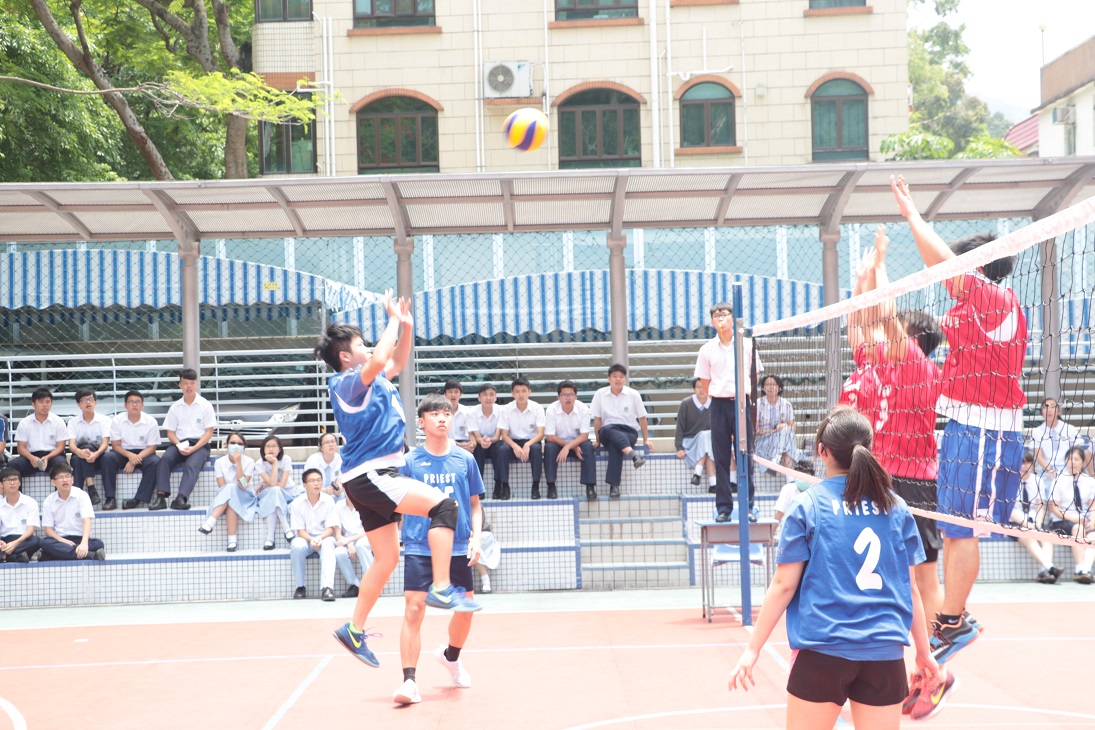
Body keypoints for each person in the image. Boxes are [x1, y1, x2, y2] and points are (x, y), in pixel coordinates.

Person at [728, 406, 940, 729]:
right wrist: (924, 652)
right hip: (883, 653)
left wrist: (752, 650)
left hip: (824, 648)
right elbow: (910, 589)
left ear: (822, 452)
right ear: (869, 448)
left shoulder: (807, 505)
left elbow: (784, 586)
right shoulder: (896, 508)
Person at [892, 175, 1027, 668]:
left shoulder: (993, 296)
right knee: (954, 529)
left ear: (977, 266)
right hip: (964, 425)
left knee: (964, 529)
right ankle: (951, 618)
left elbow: (945, 267)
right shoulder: (970, 305)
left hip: (989, 429)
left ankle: (952, 621)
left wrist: (912, 215)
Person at [316, 292, 480, 671]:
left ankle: (353, 630)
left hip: (371, 478)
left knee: (387, 558)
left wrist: (405, 325)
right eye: (359, 343)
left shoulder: (372, 380)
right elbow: (377, 359)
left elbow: (398, 359)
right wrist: (390, 319)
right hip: (372, 474)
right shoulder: (345, 383)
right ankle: (441, 586)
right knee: (445, 504)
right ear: (345, 356)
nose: (368, 347)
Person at [839, 227, 948, 720]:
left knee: (922, 582)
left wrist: (882, 266)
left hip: (915, 483)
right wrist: (860, 282)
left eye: (897, 329)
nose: (887, 332)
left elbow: (883, 316)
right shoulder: (878, 361)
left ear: (911, 338)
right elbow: (860, 326)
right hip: (887, 482)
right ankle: (919, 669)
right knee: (899, 581)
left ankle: (938, 670)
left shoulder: (917, 366)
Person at [394, 393, 484, 705]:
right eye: (434, 414)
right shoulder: (408, 462)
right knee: (414, 609)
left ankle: (451, 656)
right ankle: (409, 682)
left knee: (465, 609)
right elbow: (396, 503)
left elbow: (475, 505)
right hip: (420, 545)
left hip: (458, 546)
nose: (442, 418)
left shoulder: (465, 459)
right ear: (421, 422)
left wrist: (477, 537)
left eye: (446, 413)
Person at [695, 303, 761, 523]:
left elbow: (755, 376)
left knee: (746, 456)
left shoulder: (747, 345)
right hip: (719, 405)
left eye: (724, 314)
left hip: (743, 403)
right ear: (712, 321)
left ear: (733, 319)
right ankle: (724, 507)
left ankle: (748, 506)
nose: (720, 317)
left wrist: (744, 397)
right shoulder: (706, 349)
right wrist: (719, 395)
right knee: (721, 456)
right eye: (716, 315)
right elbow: (704, 382)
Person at [151, 369, 216, 511]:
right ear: (180, 385)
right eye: (185, 383)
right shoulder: (175, 407)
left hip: (200, 445)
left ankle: (181, 498)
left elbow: (209, 432)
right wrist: (179, 445)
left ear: (197, 384)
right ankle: (161, 497)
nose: (189, 386)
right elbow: (170, 432)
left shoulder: (205, 405)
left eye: (192, 383)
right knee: (165, 459)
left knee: (192, 465)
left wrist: (194, 448)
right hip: (180, 443)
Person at [591, 364, 652, 499]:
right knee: (609, 429)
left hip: (628, 432)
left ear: (625, 379)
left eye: (621, 377)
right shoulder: (600, 394)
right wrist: (598, 440)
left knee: (616, 445)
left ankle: (614, 486)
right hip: (607, 431)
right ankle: (632, 455)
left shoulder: (633, 394)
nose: (618, 379)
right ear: (609, 379)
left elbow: (642, 418)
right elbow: (597, 419)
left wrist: (646, 439)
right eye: (614, 377)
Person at [198, 432, 257, 552]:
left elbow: (244, 485)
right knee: (230, 497)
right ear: (227, 445)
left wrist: (238, 463)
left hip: (245, 496)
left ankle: (210, 522)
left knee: (231, 488)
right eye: (233, 443)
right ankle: (232, 541)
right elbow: (222, 487)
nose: (236, 446)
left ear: (244, 447)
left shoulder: (249, 461)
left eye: (240, 444)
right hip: (226, 496)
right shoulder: (219, 462)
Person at [1012, 449, 1062, 584]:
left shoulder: (1038, 481)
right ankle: (1050, 567)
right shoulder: (1009, 481)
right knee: (1029, 538)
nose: (1024, 467)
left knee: (1047, 537)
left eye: (1027, 463)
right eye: (1021, 463)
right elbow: (1009, 509)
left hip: (1034, 520)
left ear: (1032, 464)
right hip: (1015, 522)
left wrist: (1038, 523)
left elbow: (1040, 505)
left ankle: (1045, 571)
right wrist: (1025, 523)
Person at [1046, 446, 1095, 583]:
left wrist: (1093, 520)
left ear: (1083, 462)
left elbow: (1092, 506)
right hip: (1061, 521)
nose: (1072, 462)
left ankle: (1086, 570)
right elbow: (1054, 508)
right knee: (1078, 528)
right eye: (1069, 459)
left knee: (1093, 535)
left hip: (1084, 520)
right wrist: (1074, 518)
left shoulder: (1090, 481)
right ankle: (1079, 569)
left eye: (1076, 459)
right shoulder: (1058, 480)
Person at [109, 390, 164, 512]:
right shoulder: (117, 420)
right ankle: (110, 498)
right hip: (123, 452)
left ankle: (139, 499)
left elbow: (152, 447)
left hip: (144, 452)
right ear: (125, 405)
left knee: (155, 462)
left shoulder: (151, 421)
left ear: (142, 405)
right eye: (131, 402)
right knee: (107, 458)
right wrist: (130, 456)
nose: (134, 405)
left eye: (138, 402)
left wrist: (134, 460)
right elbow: (115, 445)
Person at [289, 468, 338, 601]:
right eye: (312, 481)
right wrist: (312, 539)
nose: (316, 483)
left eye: (319, 480)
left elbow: (331, 528)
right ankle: (300, 587)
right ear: (305, 485)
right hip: (305, 538)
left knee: (328, 545)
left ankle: (327, 588)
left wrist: (320, 538)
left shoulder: (329, 500)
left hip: (324, 536)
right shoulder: (297, 503)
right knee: (297, 546)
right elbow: (299, 530)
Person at [39, 463, 105, 561]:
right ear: (53, 482)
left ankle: (54, 555)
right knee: (45, 542)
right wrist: (62, 540)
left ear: (72, 479)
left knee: (98, 543)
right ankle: (91, 556)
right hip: (60, 540)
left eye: (67, 476)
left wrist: (84, 543)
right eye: (60, 477)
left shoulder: (82, 495)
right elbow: (48, 530)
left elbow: (86, 521)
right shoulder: (49, 501)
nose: (65, 480)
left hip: (79, 539)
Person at [544, 380, 595, 500]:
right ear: (559, 397)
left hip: (577, 442)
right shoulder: (552, 409)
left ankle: (590, 487)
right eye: (564, 395)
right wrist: (570, 446)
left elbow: (584, 436)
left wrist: (569, 447)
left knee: (588, 447)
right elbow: (550, 436)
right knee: (549, 447)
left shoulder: (583, 409)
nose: (568, 398)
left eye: (571, 394)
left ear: (576, 396)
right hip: (558, 443)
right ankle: (551, 486)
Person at [497, 376, 546, 499]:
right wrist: (514, 446)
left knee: (536, 449)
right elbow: (504, 435)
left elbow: (540, 434)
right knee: (502, 450)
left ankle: (535, 487)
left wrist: (527, 444)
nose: (521, 395)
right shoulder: (506, 409)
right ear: (512, 393)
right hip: (513, 441)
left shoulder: (537, 408)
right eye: (517, 391)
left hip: (531, 441)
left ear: (529, 392)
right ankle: (505, 487)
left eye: (524, 391)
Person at [9, 388, 70, 481]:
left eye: (48, 402)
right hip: (31, 456)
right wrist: (32, 458)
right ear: (33, 404)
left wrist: (47, 457)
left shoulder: (58, 421)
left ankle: (60, 495)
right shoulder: (25, 422)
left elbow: (61, 447)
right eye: (41, 402)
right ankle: (17, 495)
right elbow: (21, 448)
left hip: (52, 456)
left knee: (61, 465)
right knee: (13, 467)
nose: (45, 405)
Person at [66, 388, 112, 508]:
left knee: (88, 449)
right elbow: (71, 445)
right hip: (81, 456)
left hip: (100, 457)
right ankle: (90, 490)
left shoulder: (105, 420)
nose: (88, 402)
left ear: (95, 402)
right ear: (78, 404)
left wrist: (95, 454)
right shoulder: (73, 422)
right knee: (77, 458)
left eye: (91, 399)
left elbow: (105, 443)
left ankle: (80, 495)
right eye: (84, 400)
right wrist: (79, 452)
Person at [253, 434, 297, 548]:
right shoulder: (259, 463)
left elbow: (281, 485)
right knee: (274, 493)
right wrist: (274, 465)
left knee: (275, 491)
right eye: (268, 446)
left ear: (280, 449)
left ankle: (270, 538)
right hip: (270, 494)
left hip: (287, 493)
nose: (271, 449)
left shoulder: (286, 459)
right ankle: (287, 529)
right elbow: (273, 484)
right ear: (263, 449)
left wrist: (264, 483)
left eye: (274, 446)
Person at [1028, 398, 1085, 483]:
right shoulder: (1037, 432)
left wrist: (1070, 468)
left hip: (1068, 468)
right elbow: (1038, 455)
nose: (1049, 410)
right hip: (1046, 470)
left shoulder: (1070, 429)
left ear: (1058, 411)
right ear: (1041, 412)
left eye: (1052, 406)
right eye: (1045, 407)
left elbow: (1077, 450)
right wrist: (1050, 469)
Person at [674, 378, 716, 493]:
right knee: (705, 436)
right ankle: (712, 482)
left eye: (704, 387)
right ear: (694, 389)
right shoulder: (686, 404)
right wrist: (679, 448)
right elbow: (679, 427)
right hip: (691, 442)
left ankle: (702, 478)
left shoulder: (714, 404)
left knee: (706, 438)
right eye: (698, 387)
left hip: (708, 443)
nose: (701, 390)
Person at [754, 375, 802, 470]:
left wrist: (783, 426)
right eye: (767, 384)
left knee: (786, 432)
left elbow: (793, 427)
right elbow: (755, 431)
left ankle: (777, 457)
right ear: (763, 388)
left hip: (782, 439)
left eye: (774, 384)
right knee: (787, 442)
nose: (771, 387)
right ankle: (778, 457)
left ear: (779, 387)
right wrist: (774, 431)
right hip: (764, 441)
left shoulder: (786, 404)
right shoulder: (758, 404)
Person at [468, 383, 506, 500]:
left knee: (500, 450)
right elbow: (476, 435)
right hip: (481, 443)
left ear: (495, 397)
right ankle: (479, 488)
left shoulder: (502, 411)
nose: (488, 398)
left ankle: (498, 485)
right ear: (479, 398)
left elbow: (498, 435)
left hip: (495, 442)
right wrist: (482, 440)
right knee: (477, 451)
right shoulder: (472, 412)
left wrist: (490, 440)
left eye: (491, 395)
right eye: (485, 395)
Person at [333, 495, 372, 598]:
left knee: (361, 545)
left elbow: (368, 530)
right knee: (339, 553)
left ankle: (373, 583)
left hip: (364, 537)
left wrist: (349, 540)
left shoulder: (366, 503)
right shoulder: (338, 506)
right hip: (346, 540)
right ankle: (355, 585)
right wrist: (349, 544)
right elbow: (338, 534)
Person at [0, 468, 40, 562]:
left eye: (15, 479)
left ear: (20, 483)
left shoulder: (30, 502)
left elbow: (30, 530)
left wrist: (15, 544)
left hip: (23, 539)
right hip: (5, 539)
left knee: (37, 541)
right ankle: (16, 556)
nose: (12, 482)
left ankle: (4, 556)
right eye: (8, 480)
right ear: (2, 484)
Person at [771, 459, 816, 539]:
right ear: (794, 474)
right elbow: (780, 513)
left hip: (810, 535)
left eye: (805, 474)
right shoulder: (787, 489)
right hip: (790, 535)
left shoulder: (816, 491)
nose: (802, 478)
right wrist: (770, 534)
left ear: (811, 476)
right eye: (799, 474)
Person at [304, 432, 344, 499]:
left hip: (334, 496)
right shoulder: (312, 460)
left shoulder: (341, 460)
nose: (331, 444)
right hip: (315, 494)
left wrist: (339, 489)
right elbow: (308, 484)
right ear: (321, 447)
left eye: (333, 441)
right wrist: (323, 491)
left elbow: (340, 481)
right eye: (327, 442)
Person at [443, 379, 476, 455]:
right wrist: (458, 445)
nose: (453, 395)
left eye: (456, 392)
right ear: (445, 394)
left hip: (464, 442)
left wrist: (472, 444)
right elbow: (441, 436)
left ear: (461, 394)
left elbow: (471, 433)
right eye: (450, 392)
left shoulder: (467, 411)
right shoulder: (440, 413)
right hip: (447, 443)